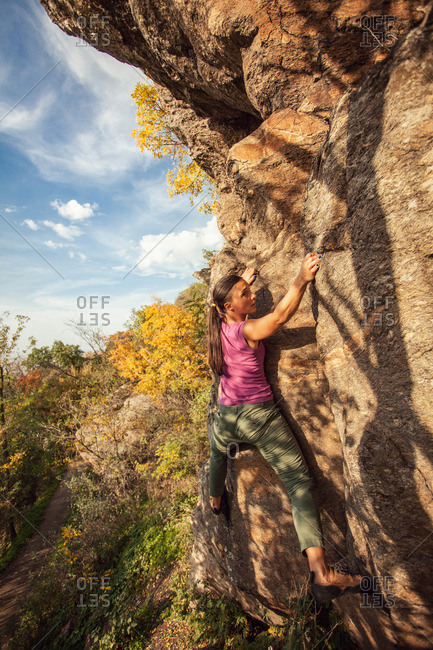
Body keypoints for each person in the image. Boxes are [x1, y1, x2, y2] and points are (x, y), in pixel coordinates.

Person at [206, 251, 364, 603]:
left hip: (226, 417)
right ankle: (321, 573)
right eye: (246, 294)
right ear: (230, 308)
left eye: (249, 290)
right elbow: (279, 317)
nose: (253, 296)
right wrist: (301, 278)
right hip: (259, 418)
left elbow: (222, 299)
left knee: (218, 454)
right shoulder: (248, 328)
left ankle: (216, 500)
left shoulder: (217, 328)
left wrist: (245, 277)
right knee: (299, 483)